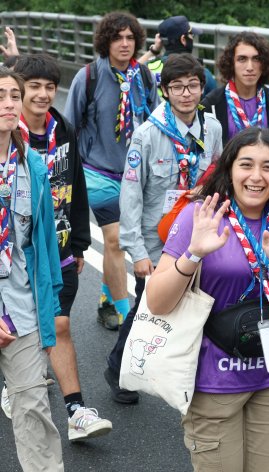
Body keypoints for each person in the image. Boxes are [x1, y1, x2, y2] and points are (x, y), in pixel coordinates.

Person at [146, 127, 269, 471]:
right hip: (213, 380)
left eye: (268, 167)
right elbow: (157, 301)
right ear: (229, 168)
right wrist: (194, 254)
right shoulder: (199, 217)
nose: (256, 176)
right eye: (246, 164)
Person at [104, 53, 223, 404]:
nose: (186, 93)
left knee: (198, 304)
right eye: (177, 87)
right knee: (149, 307)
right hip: (157, 241)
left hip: (195, 232)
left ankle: (194, 373)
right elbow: (131, 196)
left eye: (193, 85)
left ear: (202, 88)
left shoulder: (212, 128)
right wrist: (137, 253)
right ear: (165, 90)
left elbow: (216, 179)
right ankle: (118, 368)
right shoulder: (147, 135)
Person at [11, 53, 112, 440]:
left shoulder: (62, 127)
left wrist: (82, 243)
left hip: (60, 247)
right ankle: (17, 385)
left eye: (49, 87)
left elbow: (77, 183)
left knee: (58, 324)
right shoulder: (8, 133)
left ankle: (75, 412)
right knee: (30, 327)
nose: (41, 94)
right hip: (17, 251)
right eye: (33, 87)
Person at [64, 11, 159, 331]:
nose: (125, 43)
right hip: (97, 170)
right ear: (106, 41)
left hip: (136, 174)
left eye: (130, 37)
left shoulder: (144, 77)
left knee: (131, 241)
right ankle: (127, 316)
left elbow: (155, 124)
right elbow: (69, 126)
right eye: (117, 37)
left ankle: (106, 300)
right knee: (116, 240)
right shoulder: (88, 76)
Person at [0, 66, 64, 471]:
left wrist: (49, 303)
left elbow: (40, 247)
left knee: (33, 409)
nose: (7, 103)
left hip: (21, 305)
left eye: (11, 95)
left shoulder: (33, 168)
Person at [201, 32, 269, 153]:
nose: (250, 67)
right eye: (242, 59)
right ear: (231, 64)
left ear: (264, 63)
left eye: (256, 59)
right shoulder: (211, 105)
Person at [138, 16, 217, 99]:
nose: (192, 38)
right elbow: (215, 104)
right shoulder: (202, 73)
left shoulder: (149, 68)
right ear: (183, 39)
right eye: (191, 35)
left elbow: (131, 72)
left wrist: (153, 50)